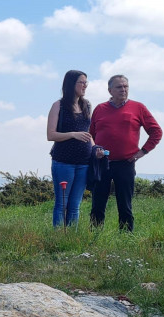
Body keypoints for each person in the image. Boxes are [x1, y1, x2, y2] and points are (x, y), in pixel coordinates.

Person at [89, 75, 163, 232]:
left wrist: (142, 151)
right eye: (119, 87)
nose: (123, 90)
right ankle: (93, 237)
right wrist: (94, 150)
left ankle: (126, 239)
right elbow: (90, 136)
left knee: (125, 205)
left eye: (126, 86)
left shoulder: (138, 107)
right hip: (102, 163)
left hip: (126, 163)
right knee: (97, 204)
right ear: (110, 90)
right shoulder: (100, 109)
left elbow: (156, 131)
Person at [46, 70, 100, 227]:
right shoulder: (59, 106)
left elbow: (88, 134)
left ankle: (71, 239)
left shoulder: (87, 105)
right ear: (71, 84)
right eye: (81, 82)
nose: (85, 86)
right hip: (63, 162)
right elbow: (51, 135)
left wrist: (95, 148)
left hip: (84, 162)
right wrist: (72, 134)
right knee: (62, 204)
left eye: (86, 83)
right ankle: (58, 238)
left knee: (75, 206)